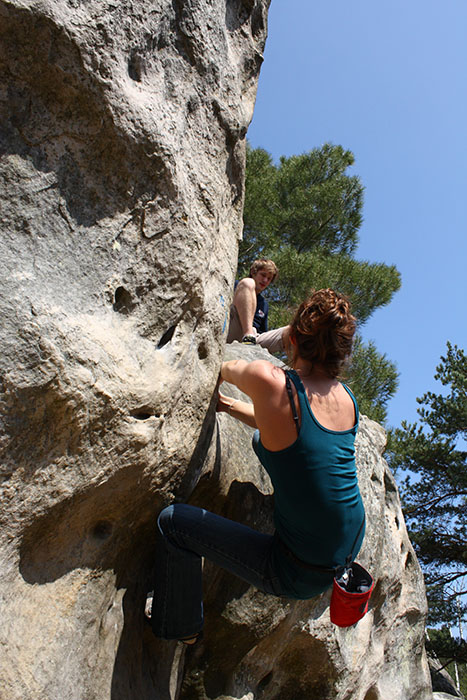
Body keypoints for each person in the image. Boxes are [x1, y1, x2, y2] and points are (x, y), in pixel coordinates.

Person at [146, 288, 365, 644]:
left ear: (291, 338)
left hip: (296, 569)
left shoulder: (271, 380)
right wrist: (230, 407)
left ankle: (181, 628)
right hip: (343, 552)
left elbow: (225, 367)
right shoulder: (346, 399)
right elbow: (294, 436)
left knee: (173, 524)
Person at [227, 258, 289, 354]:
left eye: (269, 279)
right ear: (253, 272)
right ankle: (248, 335)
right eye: (263, 275)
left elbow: (263, 331)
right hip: (233, 328)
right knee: (248, 283)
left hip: (255, 338)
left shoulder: (264, 304)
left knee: (292, 330)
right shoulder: (237, 285)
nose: (265, 280)